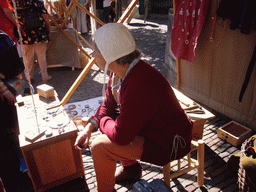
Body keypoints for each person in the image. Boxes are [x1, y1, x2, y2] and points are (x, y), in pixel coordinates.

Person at [74, 23, 193, 192]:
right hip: (152, 131)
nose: (93, 55)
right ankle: (132, 169)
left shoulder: (141, 83)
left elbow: (121, 135)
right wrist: (89, 127)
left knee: (100, 146)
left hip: (168, 143)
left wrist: (103, 122)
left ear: (110, 56)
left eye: (97, 51)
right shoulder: (119, 74)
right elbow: (108, 104)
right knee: (111, 122)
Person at [18, 0, 52, 82]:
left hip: (25, 32)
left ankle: (29, 76)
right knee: (41, 55)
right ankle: (44, 76)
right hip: (39, 31)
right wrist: (49, 27)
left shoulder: (18, 2)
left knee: (27, 56)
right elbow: (45, 16)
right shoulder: (37, 1)